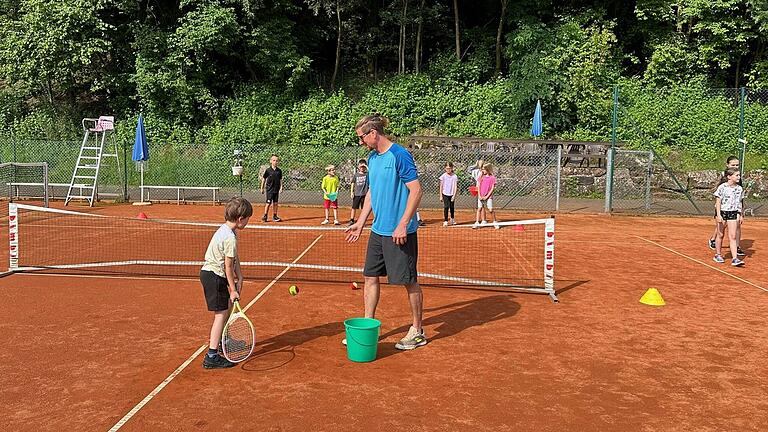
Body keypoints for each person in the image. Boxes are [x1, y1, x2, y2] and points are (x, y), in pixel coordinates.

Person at [346, 113, 426, 350]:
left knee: (408, 281)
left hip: (400, 232)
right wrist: (361, 223)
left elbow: (416, 191)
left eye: (362, 137)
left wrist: (402, 223)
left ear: (373, 133)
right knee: (370, 277)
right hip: (378, 232)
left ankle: (418, 331)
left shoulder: (399, 155)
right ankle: (368, 326)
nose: (361, 142)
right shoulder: (372, 158)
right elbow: (371, 193)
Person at [199, 197, 253, 369]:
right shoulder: (230, 238)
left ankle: (224, 340)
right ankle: (212, 355)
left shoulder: (228, 231)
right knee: (221, 315)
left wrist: (241, 276)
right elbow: (228, 266)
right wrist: (233, 289)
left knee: (228, 308)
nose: (248, 222)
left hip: (215, 274)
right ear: (240, 219)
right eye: (247, 219)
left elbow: (234, 259)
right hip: (214, 276)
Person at [709, 156, 744, 256]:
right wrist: (718, 210)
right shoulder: (724, 180)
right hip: (723, 207)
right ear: (727, 165)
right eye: (733, 165)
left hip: (734, 208)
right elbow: (718, 196)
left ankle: (736, 247)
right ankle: (713, 239)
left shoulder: (737, 179)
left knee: (736, 225)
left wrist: (741, 211)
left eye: (737, 165)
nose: (736, 166)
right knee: (721, 227)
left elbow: (740, 196)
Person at [473, 163, 499, 229]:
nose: (482, 171)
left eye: (483, 169)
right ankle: (477, 222)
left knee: (490, 209)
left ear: (488, 170)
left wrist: (487, 196)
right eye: (482, 169)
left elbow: (492, 188)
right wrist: (479, 195)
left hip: (488, 197)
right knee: (479, 209)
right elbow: (478, 186)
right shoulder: (481, 177)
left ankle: (495, 222)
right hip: (480, 196)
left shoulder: (492, 178)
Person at [260, 154, 283, 222]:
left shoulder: (279, 171)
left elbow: (280, 180)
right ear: (271, 161)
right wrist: (262, 188)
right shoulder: (268, 170)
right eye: (274, 160)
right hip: (269, 189)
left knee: (275, 203)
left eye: (277, 161)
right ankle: (265, 215)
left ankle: (275, 216)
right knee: (268, 203)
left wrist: (281, 187)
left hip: (276, 189)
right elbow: (264, 179)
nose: (275, 162)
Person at [349, 160, 369, 225]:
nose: (362, 168)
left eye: (363, 167)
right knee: (354, 207)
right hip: (357, 194)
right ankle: (352, 220)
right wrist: (352, 192)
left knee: (364, 208)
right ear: (358, 167)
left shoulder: (367, 174)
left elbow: (371, 172)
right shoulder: (356, 175)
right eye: (361, 166)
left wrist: (366, 166)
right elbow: (352, 183)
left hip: (364, 194)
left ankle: (362, 220)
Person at [439, 162, 458, 226]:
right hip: (445, 193)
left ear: (452, 168)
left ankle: (452, 219)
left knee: (452, 207)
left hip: (452, 194)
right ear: (445, 168)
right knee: (446, 206)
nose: (448, 170)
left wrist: (454, 195)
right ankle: (446, 220)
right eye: (447, 168)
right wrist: (441, 196)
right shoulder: (443, 176)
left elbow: (455, 186)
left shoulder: (454, 176)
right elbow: (441, 186)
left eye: (449, 168)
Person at [470, 159, 487, 224]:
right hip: (478, 189)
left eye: (481, 165)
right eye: (479, 166)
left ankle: (483, 220)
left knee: (482, 205)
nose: (480, 167)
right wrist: (475, 165)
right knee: (480, 205)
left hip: (484, 189)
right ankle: (482, 220)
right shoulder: (476, 171)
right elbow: (469, 169)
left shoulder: (485, 172)